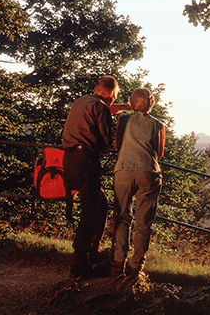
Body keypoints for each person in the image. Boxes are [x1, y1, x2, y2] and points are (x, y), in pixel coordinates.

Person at [62, 75, 130, 278]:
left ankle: (93, 249)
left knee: (100, 202)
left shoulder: (81, 101)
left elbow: (107, 107)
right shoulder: (100, 109)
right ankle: (80, 258)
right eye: (115, 96)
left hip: (69, 158)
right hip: (86, 159)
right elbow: (105, 141)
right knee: (91, 207)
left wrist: (128, 105)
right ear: (112, 93)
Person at [109, 87, 165, 279]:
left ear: (133, 102)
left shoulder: (123, 120)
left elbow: (117, 144)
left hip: (124, 168)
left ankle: (118, 263)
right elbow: (160, 152)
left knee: (122, 216)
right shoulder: (159, 125)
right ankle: (136, 267)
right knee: (144, 222)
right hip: (149, 171)